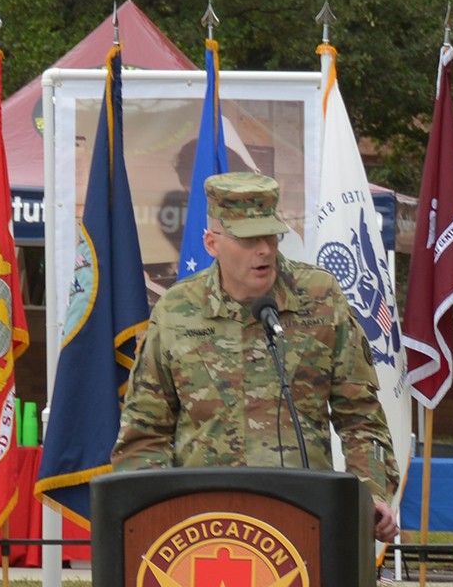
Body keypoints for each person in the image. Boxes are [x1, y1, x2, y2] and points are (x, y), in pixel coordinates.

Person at [111, 172, 401, 541]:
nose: (264, 249)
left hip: (304, 521)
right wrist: (153, 516)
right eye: (248, 239)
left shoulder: (321, 299)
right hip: (201, 529)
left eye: (270, 235)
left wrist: (371, 494)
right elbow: (143, 434)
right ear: (212, 243)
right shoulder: (176, 312)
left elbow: (361, 418)